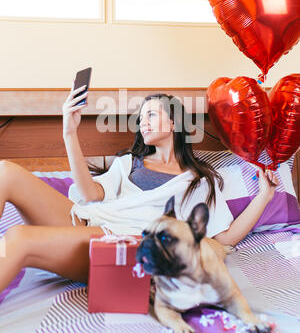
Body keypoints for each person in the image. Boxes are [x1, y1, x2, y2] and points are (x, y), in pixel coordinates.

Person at [0, 83, 279, 293]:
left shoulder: (198, 180)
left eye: (152, 116)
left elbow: (224, 238)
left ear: (174, 122)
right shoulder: (127, 164)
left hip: (117, 243)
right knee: (5, 172)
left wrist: (265, 195)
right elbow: (88, 195)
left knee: (19, 238)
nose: (143, 122)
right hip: (86, 222)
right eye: (141, 117)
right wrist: (69, 132)